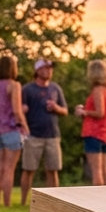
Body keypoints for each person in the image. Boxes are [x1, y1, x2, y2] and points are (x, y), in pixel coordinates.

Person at [19, 58, 68, 204]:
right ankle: (23, 201)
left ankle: (53, 201)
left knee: (52, 169)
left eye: (50, 68)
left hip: (52, 135)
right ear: (38, 70)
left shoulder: (55, 88)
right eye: (45, 68)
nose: (49, 71)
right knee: (29, 169)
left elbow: (65, 110)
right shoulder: (27, 89)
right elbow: (19, 110)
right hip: (33, 135)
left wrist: (56, 108)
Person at [0, 54, 29, 207]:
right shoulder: (14, 85)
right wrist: (25, 127)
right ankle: (7, 204)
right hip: (10, 130)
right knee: (9, 169)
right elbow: (17, 111)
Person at [77, 59, 106, 186]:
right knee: (105, 170)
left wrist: (85, 112)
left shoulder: (98, 89)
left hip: (94, 133)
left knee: (97, 172)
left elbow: (100, 112)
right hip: (105, 134)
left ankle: (99, 203)